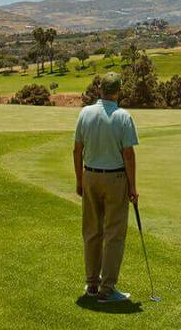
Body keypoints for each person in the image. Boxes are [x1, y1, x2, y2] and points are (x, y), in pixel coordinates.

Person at [73, 72, 140, 302]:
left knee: (92, 231)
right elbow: (128, 155)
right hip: (115, 180)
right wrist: (133, 187)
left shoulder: (85, 113)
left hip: (90, 175)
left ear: (100, 89)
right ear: (118, 91)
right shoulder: (123, 117)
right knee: (114, 234)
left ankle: (91, 285)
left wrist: (79, 180)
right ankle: (107, 289)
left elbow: (77, 150)